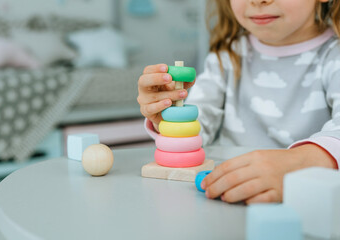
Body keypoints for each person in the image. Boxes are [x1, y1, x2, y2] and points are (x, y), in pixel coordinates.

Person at [137, 0, 340, 204]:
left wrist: (303, 162)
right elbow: (198, 129)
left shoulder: (334, 56)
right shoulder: (226, 56)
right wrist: (169, 116)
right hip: (227, 198)